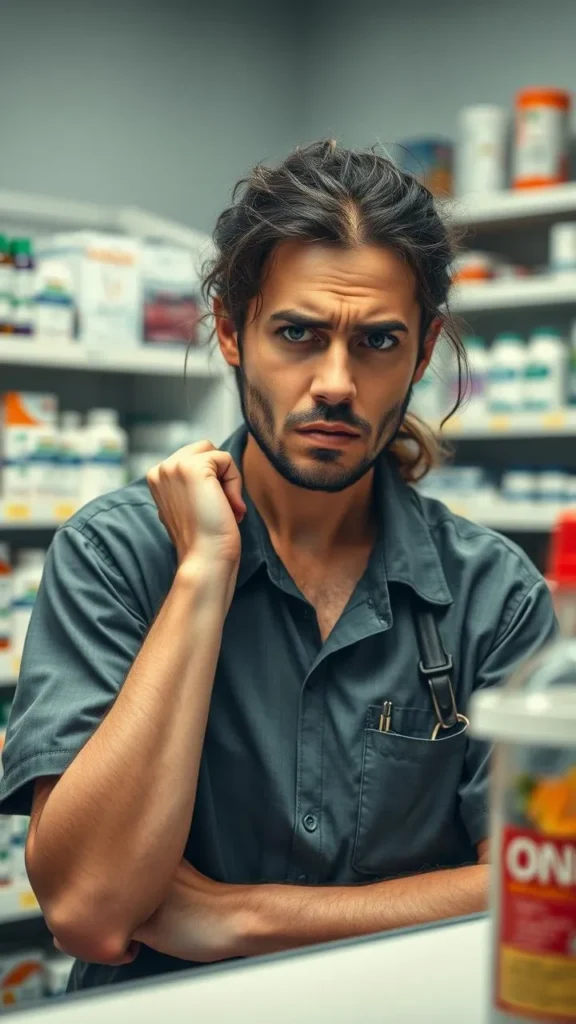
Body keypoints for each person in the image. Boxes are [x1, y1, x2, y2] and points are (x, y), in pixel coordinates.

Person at [0, 141, 555, 991]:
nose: (335, 383)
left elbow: (535, 892)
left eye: (377, 341)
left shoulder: (493, 596)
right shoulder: (117, 555)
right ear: (231, 328)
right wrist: (201, 577)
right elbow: (90, 911)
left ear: (423, 350)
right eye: (299, 333)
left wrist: (227, 916)